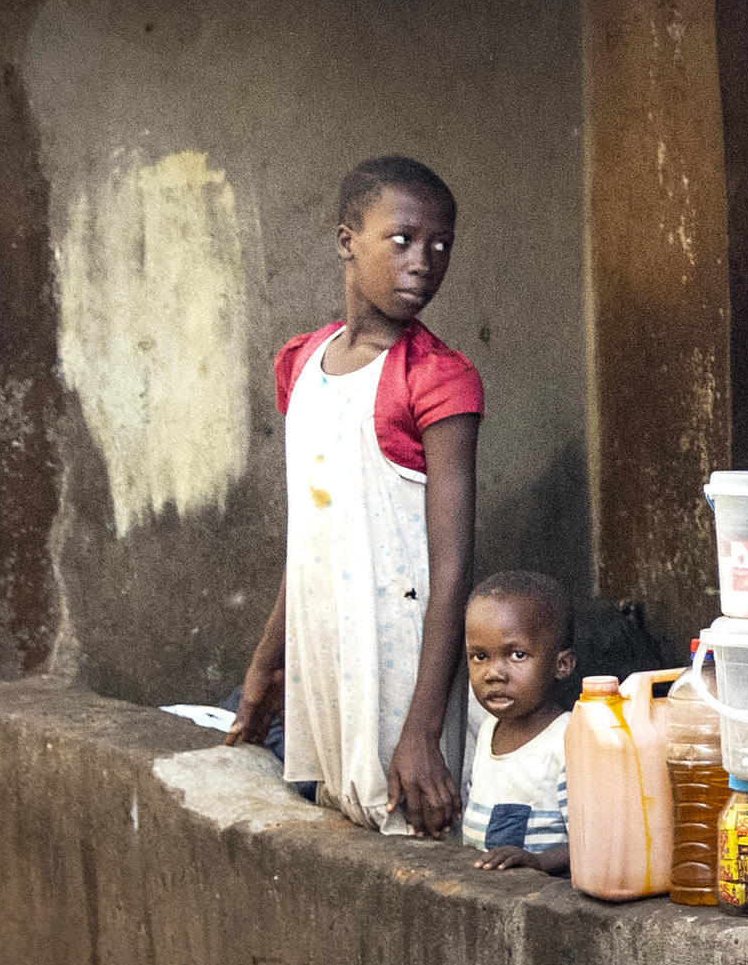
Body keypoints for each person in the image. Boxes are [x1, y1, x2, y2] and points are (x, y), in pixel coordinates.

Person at [227, 156, 483, 837]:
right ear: (347, 241)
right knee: (337, 818)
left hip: (404, 667)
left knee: (410, 825)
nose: (423, 261)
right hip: (324, 655)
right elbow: (310, 538)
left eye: (440, 245)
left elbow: (452, 567)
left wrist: (422, 731)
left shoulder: (438, 380)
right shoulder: (302, 365)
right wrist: (264, 667)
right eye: (402, 240)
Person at [458, 570, 576, 874]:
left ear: (561, 665)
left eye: (517, 655)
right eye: (480, 656)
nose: (494, 673)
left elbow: (596, 845)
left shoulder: (569, 740)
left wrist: (537, 862)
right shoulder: (486, 731)